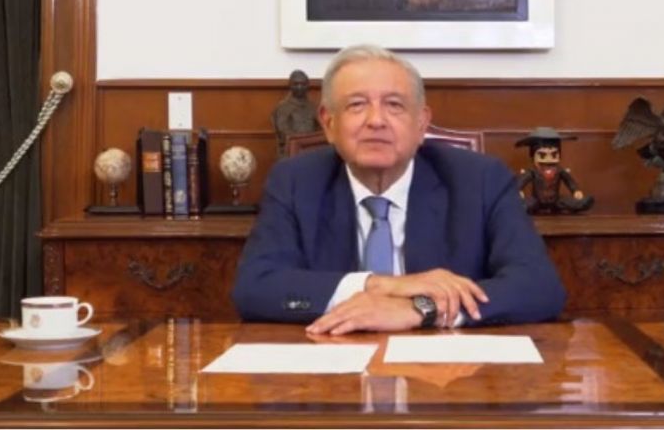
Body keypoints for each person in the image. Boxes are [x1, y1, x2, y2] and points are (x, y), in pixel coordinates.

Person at [233, 44, 566, 335]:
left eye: (394, 105)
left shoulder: (480, 180)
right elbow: (254, 287)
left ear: (421, 123)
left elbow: (539, 286)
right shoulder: (294, 182)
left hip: (448, 377)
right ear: (329, 123)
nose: (376, 120)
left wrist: (420, 309)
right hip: (330, 373)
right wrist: (380, 285)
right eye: (356, 105)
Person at [516, 127, 594, 214]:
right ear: (533, 157)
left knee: (567, 202)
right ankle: (518, 207)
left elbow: (569, 181)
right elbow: (522, 181)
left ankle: (581, 204)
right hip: (537, 200)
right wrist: (518, 190)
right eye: (542, 155)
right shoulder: (532, 171)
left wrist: (576, 190)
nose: (548, 160)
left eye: (553, 155)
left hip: (555, 200)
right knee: (528, 204)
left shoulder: (560, 171)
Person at [271, 69, 321, 157]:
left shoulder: (313, 107)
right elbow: (284, 133)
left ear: (307, 85)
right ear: (290, 85)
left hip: (312, 149)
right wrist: (302, 142)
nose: (299, 87)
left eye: (303, 84)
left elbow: (320, 128)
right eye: (296, 84)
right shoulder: (283, 107)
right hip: (290, 151)